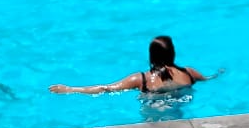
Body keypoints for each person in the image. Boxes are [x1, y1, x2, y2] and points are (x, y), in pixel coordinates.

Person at [51, 34, 207, 95]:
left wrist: (71, 89)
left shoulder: (141, 79)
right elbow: (209, 79)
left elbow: (106, 88)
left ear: (151, 55)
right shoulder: (189, 73)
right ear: (173, 52)